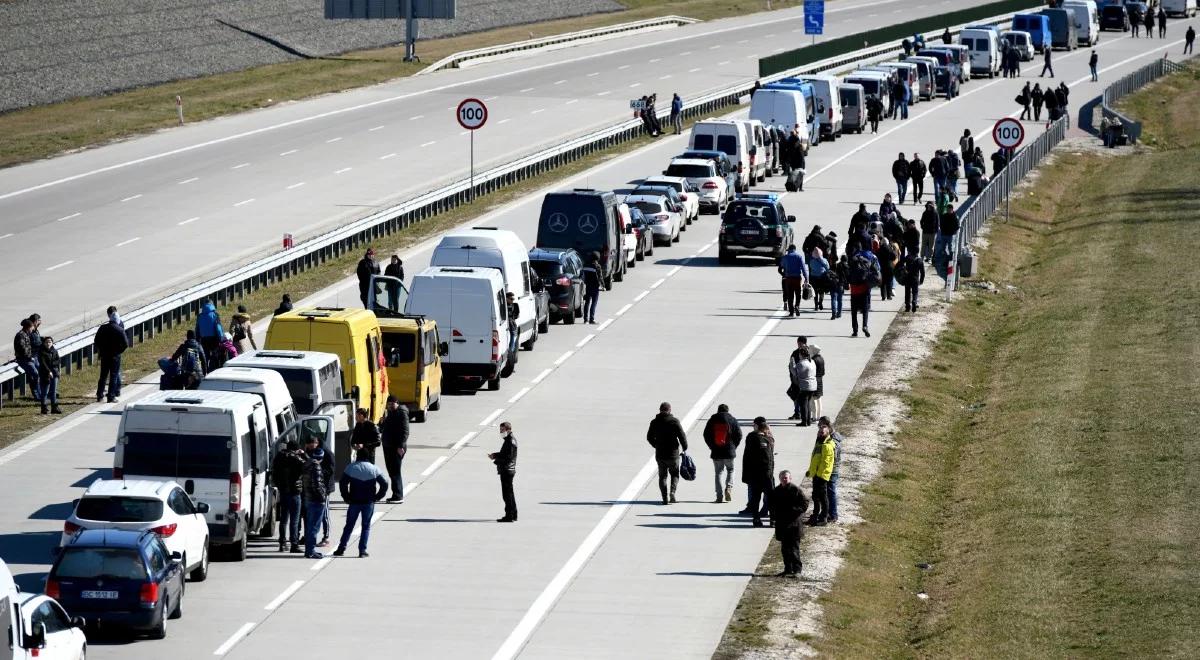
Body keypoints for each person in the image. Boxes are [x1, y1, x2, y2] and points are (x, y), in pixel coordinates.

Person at [333, 449, 389, 558]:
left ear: (358, 456)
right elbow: (384, 484)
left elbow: (343, 483)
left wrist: (346, 496)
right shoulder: (374, 469)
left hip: (354, 501)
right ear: (368, 457)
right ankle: (362, 551)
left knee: (349, 526)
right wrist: (378, 496)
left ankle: (341, 548)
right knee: (366, 527)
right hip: (368, 502)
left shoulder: (351, 467)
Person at [646, 402, 688, 505]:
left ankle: (664, 498)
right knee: (674, 474)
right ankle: (672, 492)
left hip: (660, 454)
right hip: (673, 454)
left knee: (662, 476)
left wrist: (656, 445)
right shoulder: (674, 421)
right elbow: (682, 436)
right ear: (669, 410)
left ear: (660, 410)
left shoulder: (654, 422)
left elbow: (649, 437)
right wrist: (685, 447)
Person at [771, 470, 809, 578]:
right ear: (779, 479)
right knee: (784, 549)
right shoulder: (776, 491)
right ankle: (787, 569)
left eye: (786, 477)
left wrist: (795, 511)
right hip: (782, 525)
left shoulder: (795, 490)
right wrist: (774, 517)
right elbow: (772, 505)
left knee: (794, 548)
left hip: (794, 525)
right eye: (782, 477)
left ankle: (797, 570)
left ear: (790, 478)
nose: (784, 479)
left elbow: (805, 503)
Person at [703, 404, 742, 504]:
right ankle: (729, 487)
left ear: (718, 410)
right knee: (730, 470)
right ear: (727, 410)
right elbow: (739, 434)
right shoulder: (732, 420)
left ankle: (719, 497)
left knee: (718, 473)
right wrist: (734, 446)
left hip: (716, 451)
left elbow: (706, 434)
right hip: (729, 451)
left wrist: (711, 446)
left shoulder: (712, 419)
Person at [272, 439, 306, 553]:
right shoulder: (296, 458)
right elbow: (307, 465)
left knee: (283, 519)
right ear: (296, 449)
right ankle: (294, 544)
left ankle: (282, 543)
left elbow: (274, 473)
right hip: (294, 492)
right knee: (295, 520)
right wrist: (303, 454)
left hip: (283, 491)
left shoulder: (279, 457)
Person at [741, 417, 775, 527]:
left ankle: (756, 518)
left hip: (754, 473)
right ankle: (772, 520)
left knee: (756, 498)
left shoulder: (752, 437)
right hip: (765, 473)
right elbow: (768, 459)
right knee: (770, 497)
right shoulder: (766, 439)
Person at [301, 439, 330, 558]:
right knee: (314, 527)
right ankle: (310, 551)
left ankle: (309, 549)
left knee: (309, 526)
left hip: (308, 498)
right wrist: (323, 497)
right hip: (316, 500)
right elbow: (317, 485)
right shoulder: (316, 467)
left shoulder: (307, 464)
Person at [92, 310, 127, 403]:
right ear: (117, 320)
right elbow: (125, 344)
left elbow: (96, 340)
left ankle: (99, 395)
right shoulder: (120, 330)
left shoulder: (103, 327)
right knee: (113, 376)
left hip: (104, 355)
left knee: (103, 376)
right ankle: (111, 396)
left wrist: (101, 350)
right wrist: (119, 351)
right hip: (115, 356)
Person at [847, 242, 880, 338]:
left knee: (854, 311)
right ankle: (865, 326)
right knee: (865, 310)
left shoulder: (851, 261)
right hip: (864, 289)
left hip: (854, 290)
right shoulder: (866, 261)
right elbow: (874, 270)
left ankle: (855, 330)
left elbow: (848, 275)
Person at [380, 396, 410, 503]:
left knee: (395, 471)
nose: (390, 406)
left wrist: (401, 446)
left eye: (392, 404)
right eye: (389, 404)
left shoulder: (401, 413)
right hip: (388, 446)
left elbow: (405, 430)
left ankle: (398, 496)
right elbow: (384, 428)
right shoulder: (391, 413)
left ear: (397, 403)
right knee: (392, 471)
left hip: (396, 447)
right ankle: (396, 494)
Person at [805, 427, 835, 526]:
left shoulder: (827, 446)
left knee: (822, 498)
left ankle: (823, 518)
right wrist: (810, 471)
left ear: (827, 433)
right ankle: (815, 516)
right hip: (816, 474)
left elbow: (826, 463)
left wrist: (821, 475)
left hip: (821, 476)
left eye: (822, 432)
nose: (819, 433)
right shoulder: (819, 443)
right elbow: (815, 460)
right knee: (815, 496)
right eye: (819, 432)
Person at [816, 418, 844, 523]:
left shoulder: (833, 439)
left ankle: (833, 514)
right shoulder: (824, 435)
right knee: (825, 493)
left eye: (821, 426)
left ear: (827, 426)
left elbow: (833, 455)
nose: (819, 428)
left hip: (831, 470)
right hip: (826, 468)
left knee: (830, 492)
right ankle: (826, 512)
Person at [490, 421, 519, 522]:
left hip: (507, 470)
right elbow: (505, 454)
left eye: (502, 430)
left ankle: (509, 516)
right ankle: (514, 514)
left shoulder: (510, 441)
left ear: (508, 429)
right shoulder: (509, 440)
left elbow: (508, 457)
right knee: (510, 493)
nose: (501, 432)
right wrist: (495, 455)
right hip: (508, 469)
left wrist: (496, 460)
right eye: (500, 430)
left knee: (506, 495)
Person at [789, 342, 817, 426]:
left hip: (805, 386)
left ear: (801, 355)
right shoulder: (812, 362)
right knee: (807, 403)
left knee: (803, 404)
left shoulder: (801, 364)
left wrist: (792, 364)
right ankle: (808, 421)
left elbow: (795, 373)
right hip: (813, 385)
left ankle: (804, 421)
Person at [14, 319, 41, 402]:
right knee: (35, 374)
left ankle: (40, 394)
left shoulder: (26, 334)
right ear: (28, 327)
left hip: (28, 358)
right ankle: (37, 395)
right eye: (32, 327)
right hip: (23, 359)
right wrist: (30, 357)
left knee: (38, 373)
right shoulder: (20, 335)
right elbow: (22, 349)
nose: (33, 329)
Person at [777, 245, 808, 317]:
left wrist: (784, 275)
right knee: (798, 293)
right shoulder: (799, 257)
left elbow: (780, 269)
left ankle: (791, 312)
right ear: (795, 249)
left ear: (789, 250)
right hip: (797, 278)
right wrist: (806, 278)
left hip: (788, 279)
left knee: (790, 295)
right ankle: (797, 306)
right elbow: (803, 268)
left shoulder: (785, 257)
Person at [195, 299, 225, 369]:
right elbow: (218, 327)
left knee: (205, 356)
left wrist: (197, 339)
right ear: (212, 305)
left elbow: (197, 328)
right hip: (214, 338)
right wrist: (221, 338)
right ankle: (214, 369)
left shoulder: (199, 316)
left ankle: (205, 371)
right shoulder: (215, 314)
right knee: (215, 355)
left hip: (204, 339)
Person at [37, 336, 62, 415]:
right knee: (45, 391)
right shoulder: (41, 352)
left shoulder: (54, 351)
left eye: (50, 342)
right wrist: (48, 371)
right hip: (45, 374)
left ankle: (54, 407)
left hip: (54, 373)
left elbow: (58, 361)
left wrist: (57, 371)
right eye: (46, 342)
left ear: (52, 343)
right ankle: (44, 408)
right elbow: (43, 363)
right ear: (44, 343)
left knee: (53, 391)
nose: (48, 343)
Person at [807, 247, 830, 312]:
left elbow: (811, 267)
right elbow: (828, 268)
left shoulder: (812, 261)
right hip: (822, 278)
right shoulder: (824, 260)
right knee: (822, 292)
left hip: (814, 278)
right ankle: (820, 302)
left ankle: (816, 306)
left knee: (815, 292)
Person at [581, 254, 602, 324]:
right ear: (597, 258)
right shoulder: (597, 267)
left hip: (588, 286)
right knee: (594, 303)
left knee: (587, 303)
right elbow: (600, 278)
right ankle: (591, 319)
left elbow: (582, 275)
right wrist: (603, 286)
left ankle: (585, 319)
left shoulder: (586, 266)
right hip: (595, 287)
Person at [875, 232, 896, 302]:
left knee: (882, 282)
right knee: (889, 281)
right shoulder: (889, 248)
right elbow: (894, 256)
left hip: (882, 267)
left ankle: (883, 296)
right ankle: (889, 295)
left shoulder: (880, 249)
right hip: (889, 266)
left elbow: (877, 257)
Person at [809, 343, 825, 421]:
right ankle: (819, 416)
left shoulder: (813, 360)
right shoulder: (821, 358)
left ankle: (814, 416)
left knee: (813, 399)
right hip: (820, 379)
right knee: (819, 399)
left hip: (814, 380)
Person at [827, 254, 846, 321]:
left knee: (833, 299)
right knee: (840, 299)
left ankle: (833, 314)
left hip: (833, 284)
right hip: (840, 284)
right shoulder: (842, 266)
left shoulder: (831, 267)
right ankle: (839, 313)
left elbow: (828, 277)